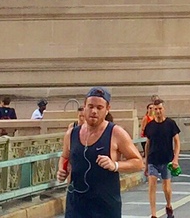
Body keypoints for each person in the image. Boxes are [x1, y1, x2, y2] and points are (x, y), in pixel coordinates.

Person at [58, 87, 144, 218]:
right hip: (76, 205)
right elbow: (65, 156)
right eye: (90, 106)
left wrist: (115, 165)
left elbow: (138, 163)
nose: (94, 111)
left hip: (105, 207)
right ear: (84, 107)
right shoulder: (72, 133)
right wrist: (61, 171)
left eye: (99, 108)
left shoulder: (116, 133)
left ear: (107, 109)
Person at [143, 98, 181, 216]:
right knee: (152, 185)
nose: (158, 111)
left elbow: (177, 142)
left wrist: (175, 159)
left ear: (163, 109)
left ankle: (168, 205)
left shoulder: (170, 124)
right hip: (153, 159)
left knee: (166, 188)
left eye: (160, 109)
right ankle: (153, 214)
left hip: (167, 160)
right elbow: (148, 144)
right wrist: (145, 162)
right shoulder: (150, 126)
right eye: (156, 109)